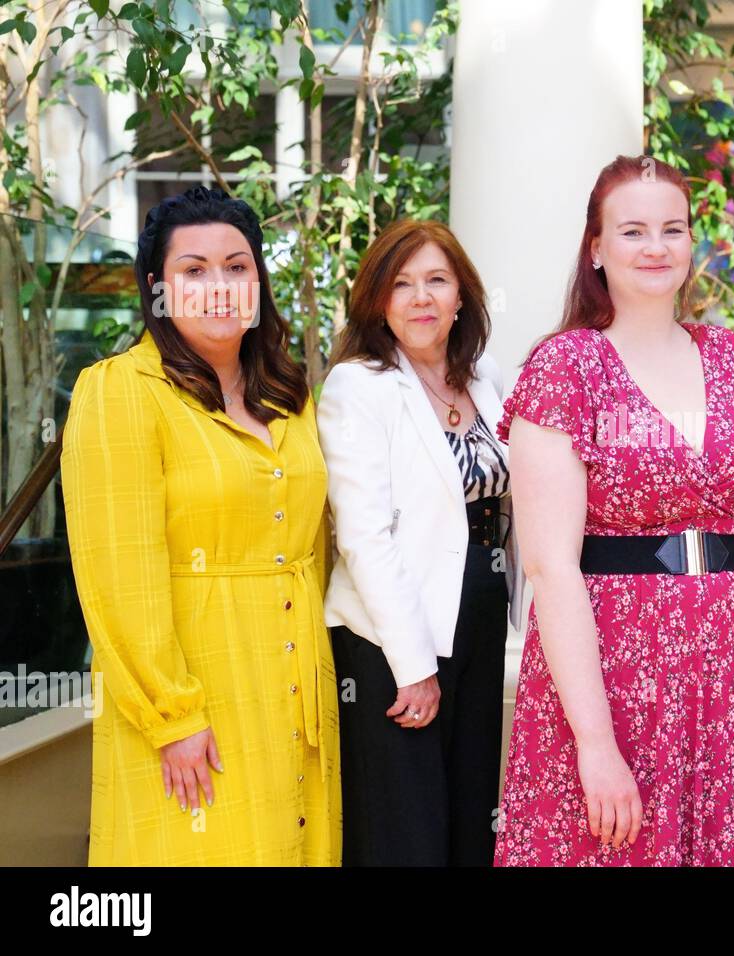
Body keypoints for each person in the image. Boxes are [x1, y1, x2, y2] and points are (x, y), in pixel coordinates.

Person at [493, 155, 734, 866]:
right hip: (614, 669)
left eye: (672, 229)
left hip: (732, 669)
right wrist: (595, 741)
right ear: (596, 248)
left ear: (693, 242)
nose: (655, 247)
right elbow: (549, 565)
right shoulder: (567, 368)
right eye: (632, 231)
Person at [62, 185, 340, 865]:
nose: (220, 286)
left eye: (237, 266)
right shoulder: (120, 392)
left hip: (299, 687)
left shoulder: (290, 393)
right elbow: (119, 570)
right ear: (157, 288)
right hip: (195, 697)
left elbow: (318, 545)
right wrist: (172, 715)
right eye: (194, 270)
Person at [316, 219, 523, 866]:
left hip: (480, 617)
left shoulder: (482, 376)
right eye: (401, 284)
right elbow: (364, 537)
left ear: (462, 294)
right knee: (407, 834)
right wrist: (414, 667)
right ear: (378, 300)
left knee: (469, 818)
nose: (421, 297)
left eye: (437, 280)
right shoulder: (358, 386)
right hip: (394, 634)